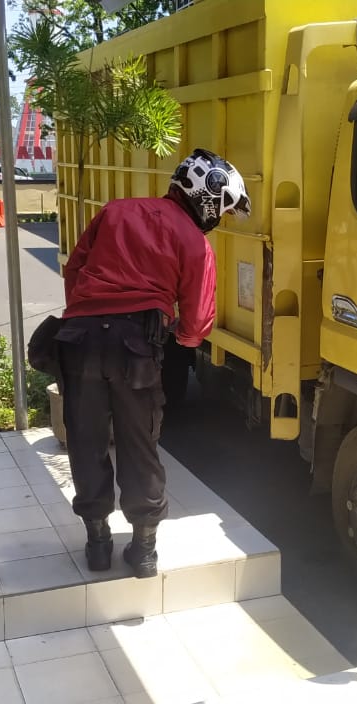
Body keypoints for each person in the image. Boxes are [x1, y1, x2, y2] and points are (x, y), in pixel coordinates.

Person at [58, 148, 250, 578]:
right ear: (207, 200)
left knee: (87, 440)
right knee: (139, 444)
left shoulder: (114, 211)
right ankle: (144, 552)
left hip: (79, 339)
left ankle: (97, 545)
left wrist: (91, 313)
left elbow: (75, 270)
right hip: (136, 349)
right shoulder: (195, 243)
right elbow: (198, 322)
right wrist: (172, 335)